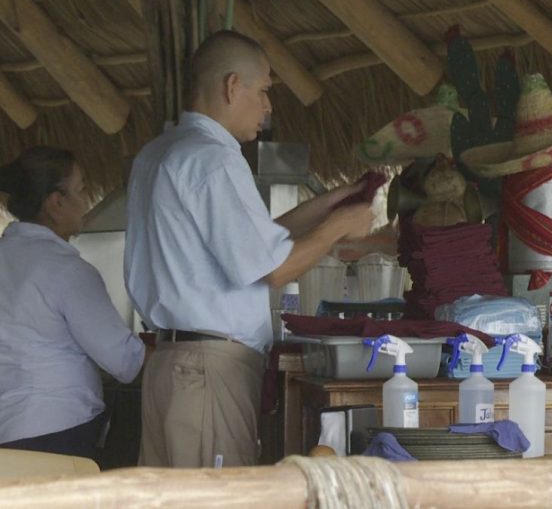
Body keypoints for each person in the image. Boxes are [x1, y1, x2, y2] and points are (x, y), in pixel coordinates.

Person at [125, 30, 373, 468]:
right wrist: (337, 227)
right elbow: (273, 269)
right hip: (208, 369)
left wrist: (331, 203)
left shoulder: (160, 152)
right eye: (263, 91)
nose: (268, 106)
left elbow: (253, 243)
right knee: (217, 498)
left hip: (173, 365)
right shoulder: (213, 158)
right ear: (231, 86)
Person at [0, 147, 145, 460]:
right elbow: (124, 361)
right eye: (81, 189)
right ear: (56, 202)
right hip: (58, 428)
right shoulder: (65, 270)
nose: (85, 200)